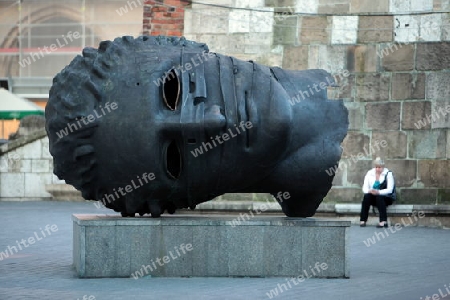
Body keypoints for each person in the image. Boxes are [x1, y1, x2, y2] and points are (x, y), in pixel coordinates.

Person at [360, 157, 395, 228]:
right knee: (366, 197)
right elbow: (364, 188)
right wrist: (369, 191)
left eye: (380, 167)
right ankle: (363, 220)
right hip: (373, 195)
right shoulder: (370, 173)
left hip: (386, 197)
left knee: (379, 197)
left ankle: (383, 221)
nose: (378, 169)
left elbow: (390, 190)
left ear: (383, 167)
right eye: (376, 167)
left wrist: (378, 192)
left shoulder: (388, 174)